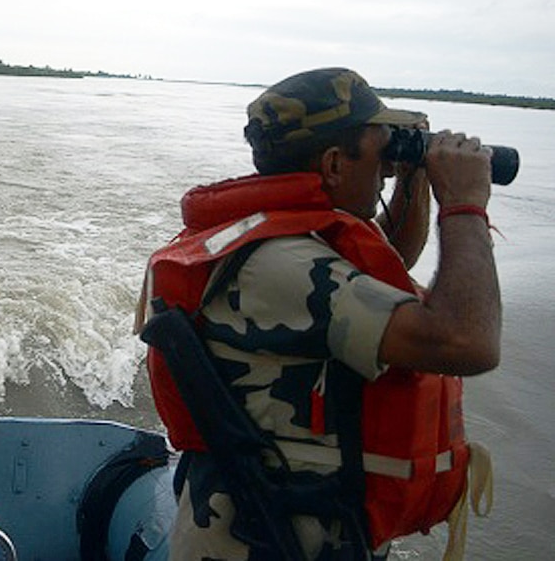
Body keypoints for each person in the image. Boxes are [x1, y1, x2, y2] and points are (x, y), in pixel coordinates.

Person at [136, 68, 499, 560]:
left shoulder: (282, 244)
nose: (387, 168)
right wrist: (464, 205)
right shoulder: (285, 265)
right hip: (268, 541)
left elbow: (389, 270)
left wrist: (413, 179)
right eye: (381, 152)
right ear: (333, 164)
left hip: (283, 525)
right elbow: (465, 341)